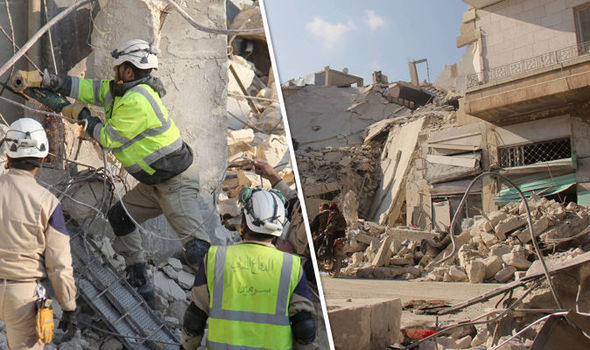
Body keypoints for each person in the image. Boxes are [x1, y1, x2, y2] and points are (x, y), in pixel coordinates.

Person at [11, 39, 211, 306]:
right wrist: (47, 81)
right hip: (154, 182)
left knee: (199, 251)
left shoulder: (137, 101)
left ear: (128, 71)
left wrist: (83, 118)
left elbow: (108, 137)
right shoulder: (121, 91)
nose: (113, 71)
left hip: (175, 182)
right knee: (121, 217)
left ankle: (219, 303)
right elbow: (86, 88)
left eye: (118, 67)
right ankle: (141, 283)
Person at [181, 187, 316, 349]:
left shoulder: (215, 258)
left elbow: (195, 317)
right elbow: (304, 327)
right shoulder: (291, 266)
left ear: (244, 224)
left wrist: (187, 347)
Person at [0, 118, 77, 349]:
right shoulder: (49, 203)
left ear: (8, 156)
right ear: (42, 159)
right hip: (23, 296)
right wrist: (69, 307)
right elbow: (59, 264)